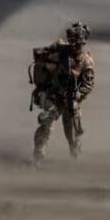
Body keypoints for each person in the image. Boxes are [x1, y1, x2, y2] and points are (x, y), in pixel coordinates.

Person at [30, 22, 95, 165]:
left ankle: (75, 157)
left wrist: (78, 96)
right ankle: (38, 157)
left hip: (71, 100)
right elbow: (40, 54)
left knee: (74, 131)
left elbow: (88, 85)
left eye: (78, 42)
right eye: (73, 41)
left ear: (83, 42)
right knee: (47, 124)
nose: (75, 45)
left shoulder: (86, 62)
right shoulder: (61, 50)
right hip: (53, 95)